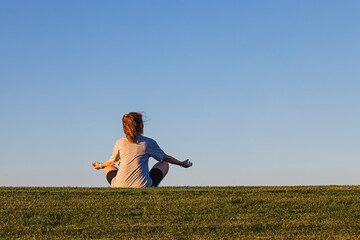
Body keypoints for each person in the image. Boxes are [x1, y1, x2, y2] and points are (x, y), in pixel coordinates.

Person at [92, 112, 192, 188]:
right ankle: (148, 184)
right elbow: (166, 158)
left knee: (107, 168)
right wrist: (182, 164)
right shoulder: (148, 142)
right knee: (164, 163)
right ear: (140, 126)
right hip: (142, 185)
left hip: (119, 185)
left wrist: (100, 165)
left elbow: (111, 162)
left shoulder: (119, 142)